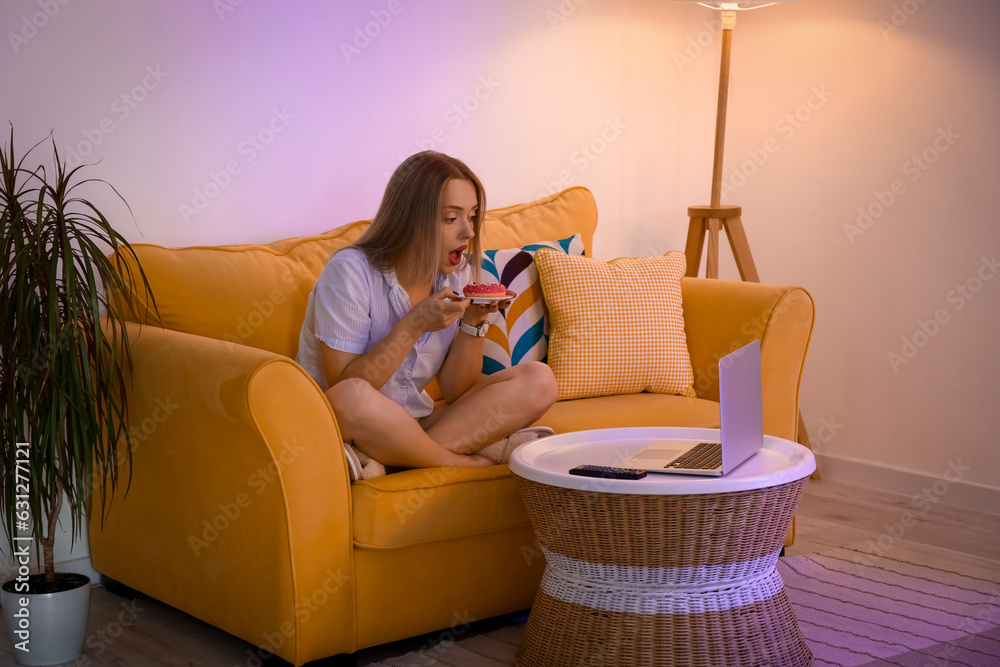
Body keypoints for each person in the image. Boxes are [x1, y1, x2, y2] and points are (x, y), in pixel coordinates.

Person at [296, 151, 558, 479]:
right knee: (352, 396)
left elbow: (455, 390)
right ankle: (458, 462)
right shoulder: (349, 272)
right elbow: (345, 385)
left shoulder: (455, 274)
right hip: (346, 420)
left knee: (540, 380)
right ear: (410, 218)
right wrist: (414, 324)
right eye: (452, 218)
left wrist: (472, 324)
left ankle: (390, 459)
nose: (468, 232)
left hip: (415, 423)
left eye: (472, 216)